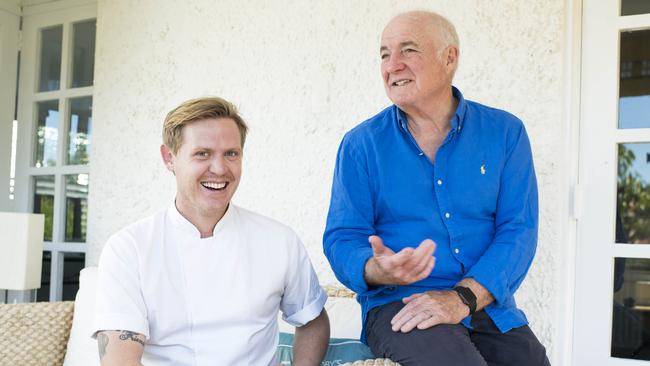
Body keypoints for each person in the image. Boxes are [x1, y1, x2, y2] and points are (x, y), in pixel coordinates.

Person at [323, 11, 550, 366]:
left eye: (408, 50)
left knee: (532, 361)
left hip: (483, 303)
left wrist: (463, 298)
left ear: (449, 58)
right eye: (384, 54)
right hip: (402, 306)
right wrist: (375, 269)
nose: (392, 65)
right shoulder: (360, 145)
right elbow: (342, 237)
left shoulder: (505, 133)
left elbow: (518, 231)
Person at [93, 97, 330, 366]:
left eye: (231, 153)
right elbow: (119, 360)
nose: (219, 169)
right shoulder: (129, 248)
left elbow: (312, 320)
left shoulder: (279, 240)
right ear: (169, 157)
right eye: (202, 153)